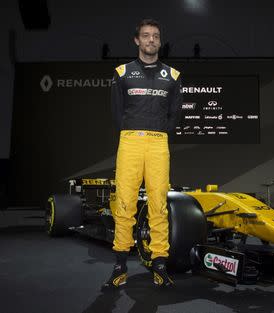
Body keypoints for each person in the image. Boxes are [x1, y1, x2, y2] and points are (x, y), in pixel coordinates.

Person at [103, 19, 182, 289]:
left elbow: (175, 113)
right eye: (146, 36)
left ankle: (160, 264)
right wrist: (133, 133)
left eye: (156, 36)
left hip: (159, 143)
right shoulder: (122, 72)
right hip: (130, 142)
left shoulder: (172, 75)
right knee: (125, 205)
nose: (151, 40)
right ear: (137, 40)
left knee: (158, 205)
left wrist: (160, 132)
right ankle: (119, 266)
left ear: (160, 42)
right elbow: (117, 112)